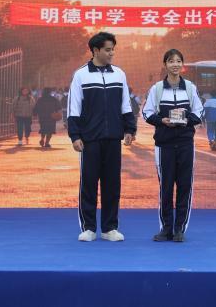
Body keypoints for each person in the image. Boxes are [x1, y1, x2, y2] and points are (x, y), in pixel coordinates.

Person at [67, 32, 136, 242]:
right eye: (108, 50)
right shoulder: (81, 75)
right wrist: (75, 135)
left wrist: (129, 129)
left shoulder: (119, 74)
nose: (111, 53)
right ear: (95, 50)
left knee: (112, 185)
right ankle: (89, 228)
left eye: (113, 49)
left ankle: (109, 228)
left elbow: (125, 104)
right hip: (90, 139)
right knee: (89, 183)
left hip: (113, 138)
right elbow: (74, 107)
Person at [142, 49, 203, 242]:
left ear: (182, 65)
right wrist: (162, 121)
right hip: (164, 145)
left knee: (185, 186)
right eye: (171, 61)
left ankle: (179, 230)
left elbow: (199, 112)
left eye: (178, 61)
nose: (175, 64)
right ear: (165, 65)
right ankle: (166, 229)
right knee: (166, 187)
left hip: (185, 144)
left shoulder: (190, 88)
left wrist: (187, 121)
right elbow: (147, 112)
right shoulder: (157, 89)